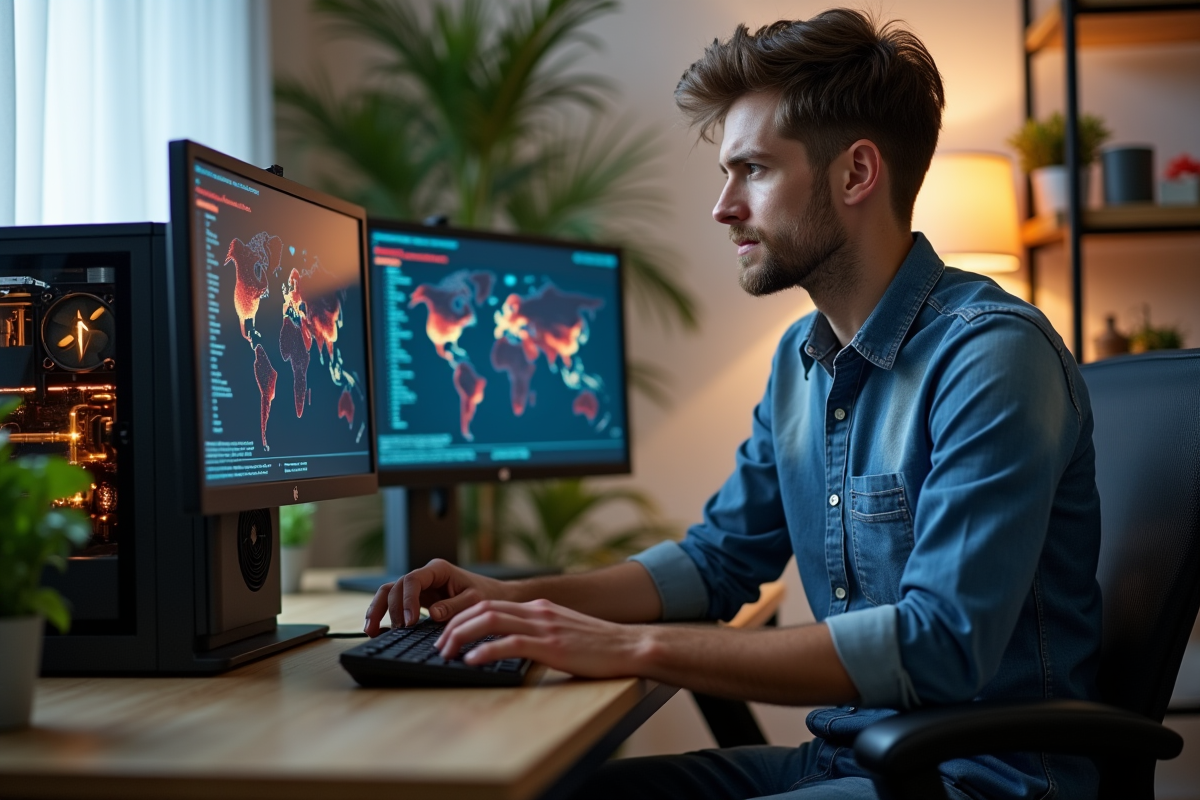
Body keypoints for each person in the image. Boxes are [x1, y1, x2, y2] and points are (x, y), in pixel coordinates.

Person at [363, 9, 1103, 799]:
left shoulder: (991, 356)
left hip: (980, 783)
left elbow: (941, 644)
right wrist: (515, 598)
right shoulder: (798, 364)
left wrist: (630, 647)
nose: (723, 206)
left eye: (753, 169)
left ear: (856, 174)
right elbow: (717, 563)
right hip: (849, 759)